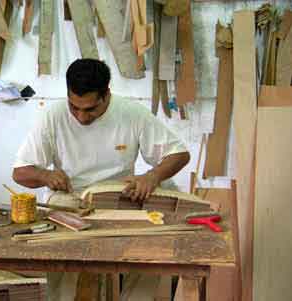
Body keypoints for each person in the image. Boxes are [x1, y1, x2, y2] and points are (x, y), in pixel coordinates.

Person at [12, 58, 190, 300]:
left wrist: (152, 176)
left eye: (90, 109)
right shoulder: (53, 116)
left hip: (121, 195)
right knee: (60, 248)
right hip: (71, 196)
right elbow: (20, 172)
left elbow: (179, 154)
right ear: (68, 95)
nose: (82, 117)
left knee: (150, 245)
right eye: (75, 107)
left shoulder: (131, 113)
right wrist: (45, 175)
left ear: (106, 94)